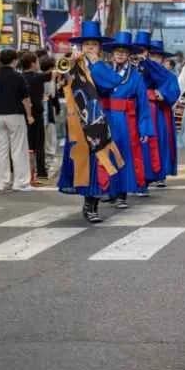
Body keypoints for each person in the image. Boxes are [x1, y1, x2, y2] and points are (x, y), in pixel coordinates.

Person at [56, 21, 125, 223]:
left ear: (99, 48)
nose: (90, 49)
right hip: (78, 121)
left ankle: (91, 204)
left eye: (94, 45)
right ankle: (86, 199)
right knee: (82, 160)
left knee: (97, 161)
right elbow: (60, 80)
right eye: (86, 45)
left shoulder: (101, 66)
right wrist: (70, 63)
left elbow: (112, 83)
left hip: (97, 120)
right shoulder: (73, 63)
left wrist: (95, 64)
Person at [98, 31, 152, 208]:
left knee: (124, 154)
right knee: (106, 153)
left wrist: (145, 128)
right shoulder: (103, 71)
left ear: (129, 55)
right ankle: (109, 189)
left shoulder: (136, 76)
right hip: (106, 117)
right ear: (112, 54)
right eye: (117, 51)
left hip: (125, 120)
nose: (120, 54)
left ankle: (122, 193)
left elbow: (143, 104)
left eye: (124, 51)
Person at [135, 34, 181, 190]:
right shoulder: (136, 67)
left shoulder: (166, 74)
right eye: (152, 55)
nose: (155, 58)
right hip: (138, 108)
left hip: (159, 111)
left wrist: (163, 93)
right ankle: (142, 176)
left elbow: (174, 87)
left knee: (160, 141)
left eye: (157, 55)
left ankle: (160, 173)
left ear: (163, 58)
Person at [0, 49, 34, 192]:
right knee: (18, 150)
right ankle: (21, 182)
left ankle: (2, 182)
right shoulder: (18, 77)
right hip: (16, 115)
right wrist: (29, 115)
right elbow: (25, 99)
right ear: (15, 60)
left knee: (1, 151)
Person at [21, 51, 51, 183]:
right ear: (33, 63)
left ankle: (26, 173)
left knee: (26, 146)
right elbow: (54, 73)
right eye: (37, 62)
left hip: (22, 115)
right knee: (39, 145)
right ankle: (41, 173)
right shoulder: (38, 77)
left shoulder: (20, 77)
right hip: (37, 114)